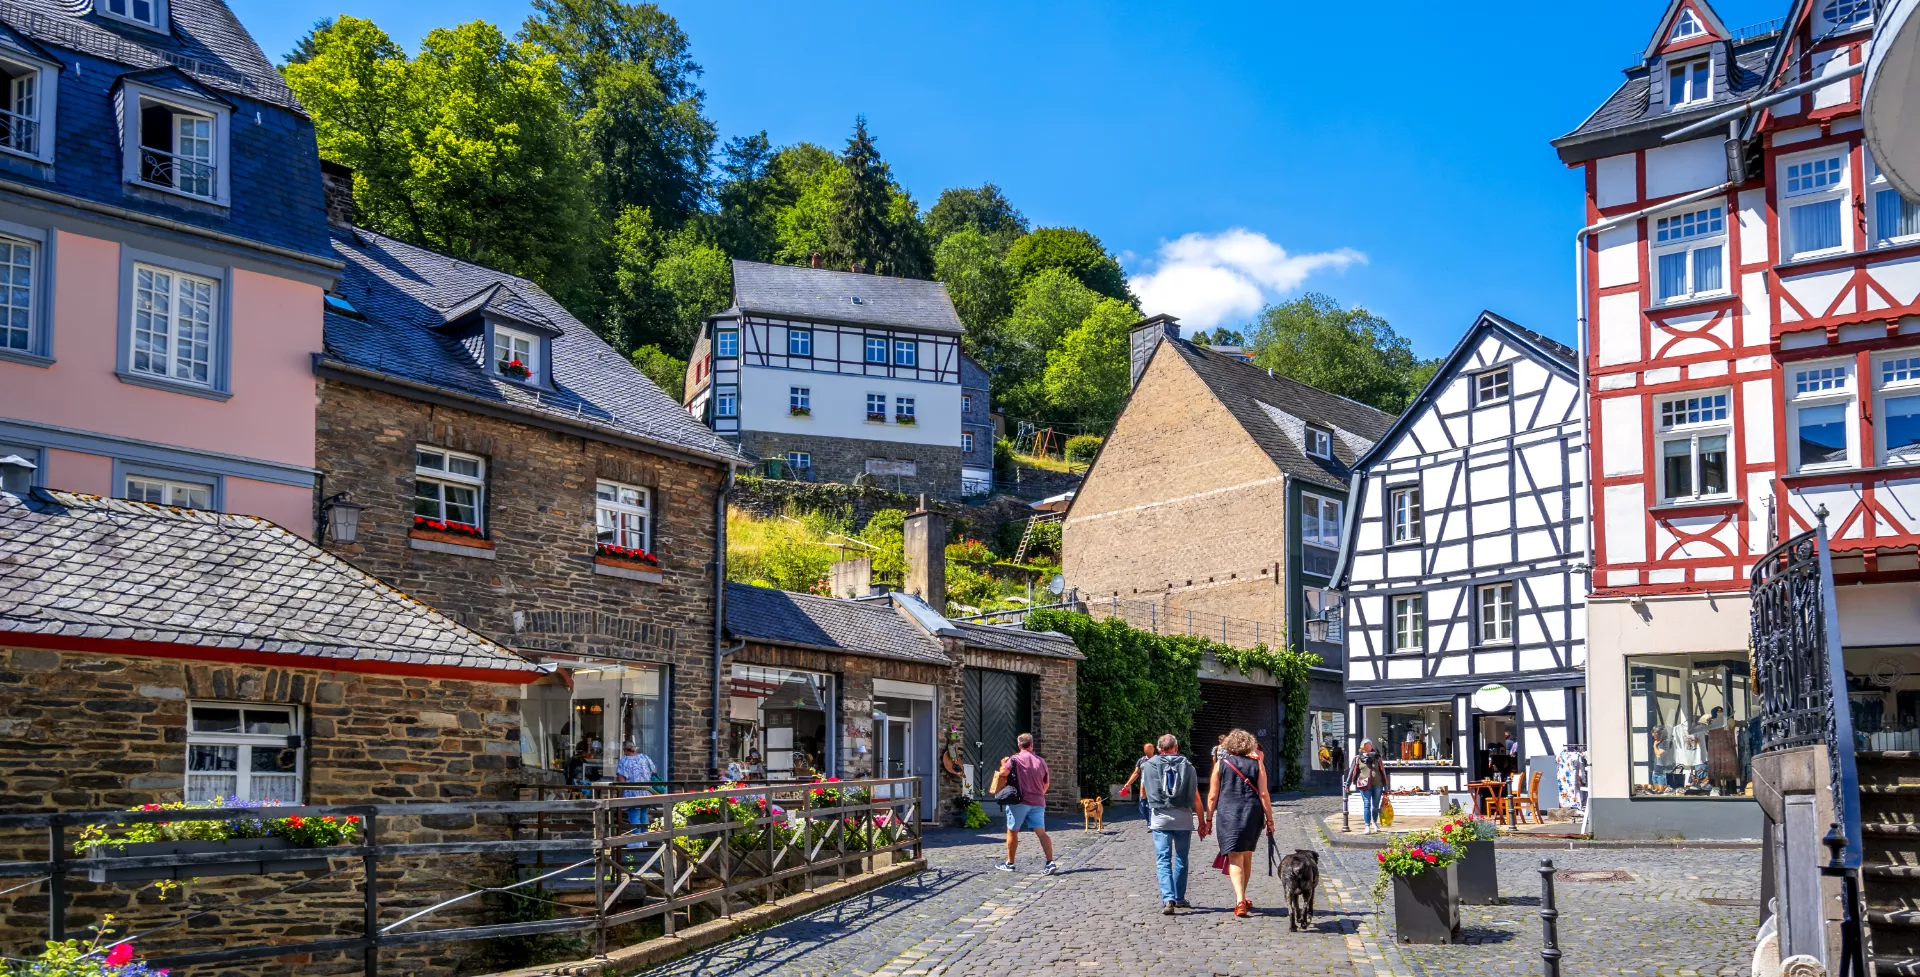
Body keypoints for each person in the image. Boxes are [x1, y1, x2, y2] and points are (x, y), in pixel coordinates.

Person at [1208, 729, 1275, 918]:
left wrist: (1208, 819)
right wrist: (1270, 819)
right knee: (1246, 855)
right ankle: (1243, 898)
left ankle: (1240, 900)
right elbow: (1264, 794)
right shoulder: (1257, 764)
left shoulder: (1221, 764)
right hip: (1252, 813)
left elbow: (1213, 795)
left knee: (1235, 856)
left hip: (1228, 814)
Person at [1142, 734, 1203, 915]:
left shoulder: (1149, 765)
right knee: (1181, 859)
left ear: (1158, 749)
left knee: (1163, 859)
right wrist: (1202, 822)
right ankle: (1179, 897)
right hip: (1183, 820)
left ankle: (1168, 898)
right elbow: (1196, 798)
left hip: (1160, 820)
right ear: (1176, 747)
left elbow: (1143, 793)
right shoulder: (1188, 766)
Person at [992, 732, 1057, 875]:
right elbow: (1046, 784)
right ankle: (1050, 862)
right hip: (1038, 801)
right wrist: (1038, 794)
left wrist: (1003, 764)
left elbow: (1003, 773)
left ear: (1018, 745)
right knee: (1041, 832)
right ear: (1032, 745)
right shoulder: (1041, 761)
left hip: (1019, 802)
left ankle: (1010, 863)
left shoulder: (1014, 759)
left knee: (1012, 831)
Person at [615, 743, 658, 829]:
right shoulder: (645, 757)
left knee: (634, 816)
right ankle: (645, 836)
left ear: (625, 750)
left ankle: (637, 837)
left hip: (632, 793)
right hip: (646, 791)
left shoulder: (624, 761)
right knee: (644, 815)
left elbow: (622, 780)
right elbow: (654, 771)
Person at [1348, 739, 1387, 834]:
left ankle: (1374, 822)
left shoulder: (1377, 757)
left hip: (1377, 784)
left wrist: (1386, 785)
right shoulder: (1358, 758)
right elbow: (1352, 771)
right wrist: (1348, 784)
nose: (1367, 747)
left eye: (1369, 745)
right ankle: (1367, 826)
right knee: (1367, 804)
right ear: (1362, 747)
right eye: (1365, 745)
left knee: (1375, 806)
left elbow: (1382, 771)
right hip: (1364, 784)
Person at [1118, 742, 1158, 819]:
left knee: (1153, 806)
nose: (1148, 750)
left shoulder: (1158, 760)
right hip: (1144, 785)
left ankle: (1151, 822)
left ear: (1153, 750)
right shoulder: (1141, 760)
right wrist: (1128, 784)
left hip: (1155, 786)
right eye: (1147, 749)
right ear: (1144, 750)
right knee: (1142, 806)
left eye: (1150, 748)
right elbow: (1136, 773)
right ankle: (1149, 820)